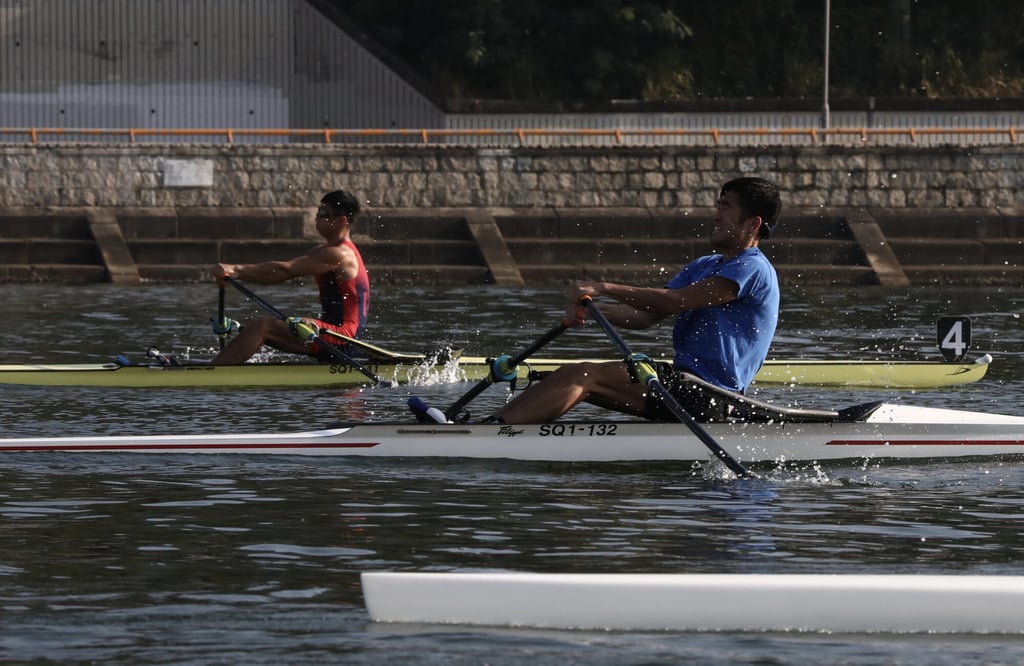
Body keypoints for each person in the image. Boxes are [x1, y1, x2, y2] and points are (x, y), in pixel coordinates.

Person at [490, 176, 781, 424]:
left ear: (753, 223)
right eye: (717, 206)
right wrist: (592, 313)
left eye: (726, 207)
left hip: (710, 394)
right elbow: (644, 317)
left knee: (582, 375)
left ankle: (490, 434)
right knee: (571, 373)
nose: (716, 215)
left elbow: (674, 302)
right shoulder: (703, 265)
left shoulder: (752, 268)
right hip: (683, 384)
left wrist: (603, 286)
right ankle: (492, 426)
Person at [209, 189, 370, 365]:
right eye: (318, 212)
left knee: (263, 327)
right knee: (258, 329)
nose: (317, 218)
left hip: (342, 339)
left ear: (341, 220)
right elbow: (280, 272)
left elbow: (284, 271)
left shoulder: (341, 254)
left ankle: (212, 372)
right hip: (328, 333)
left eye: (324, 214)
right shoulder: (320, 251)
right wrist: (236, 275)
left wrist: (235, 270)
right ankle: (220, 367)